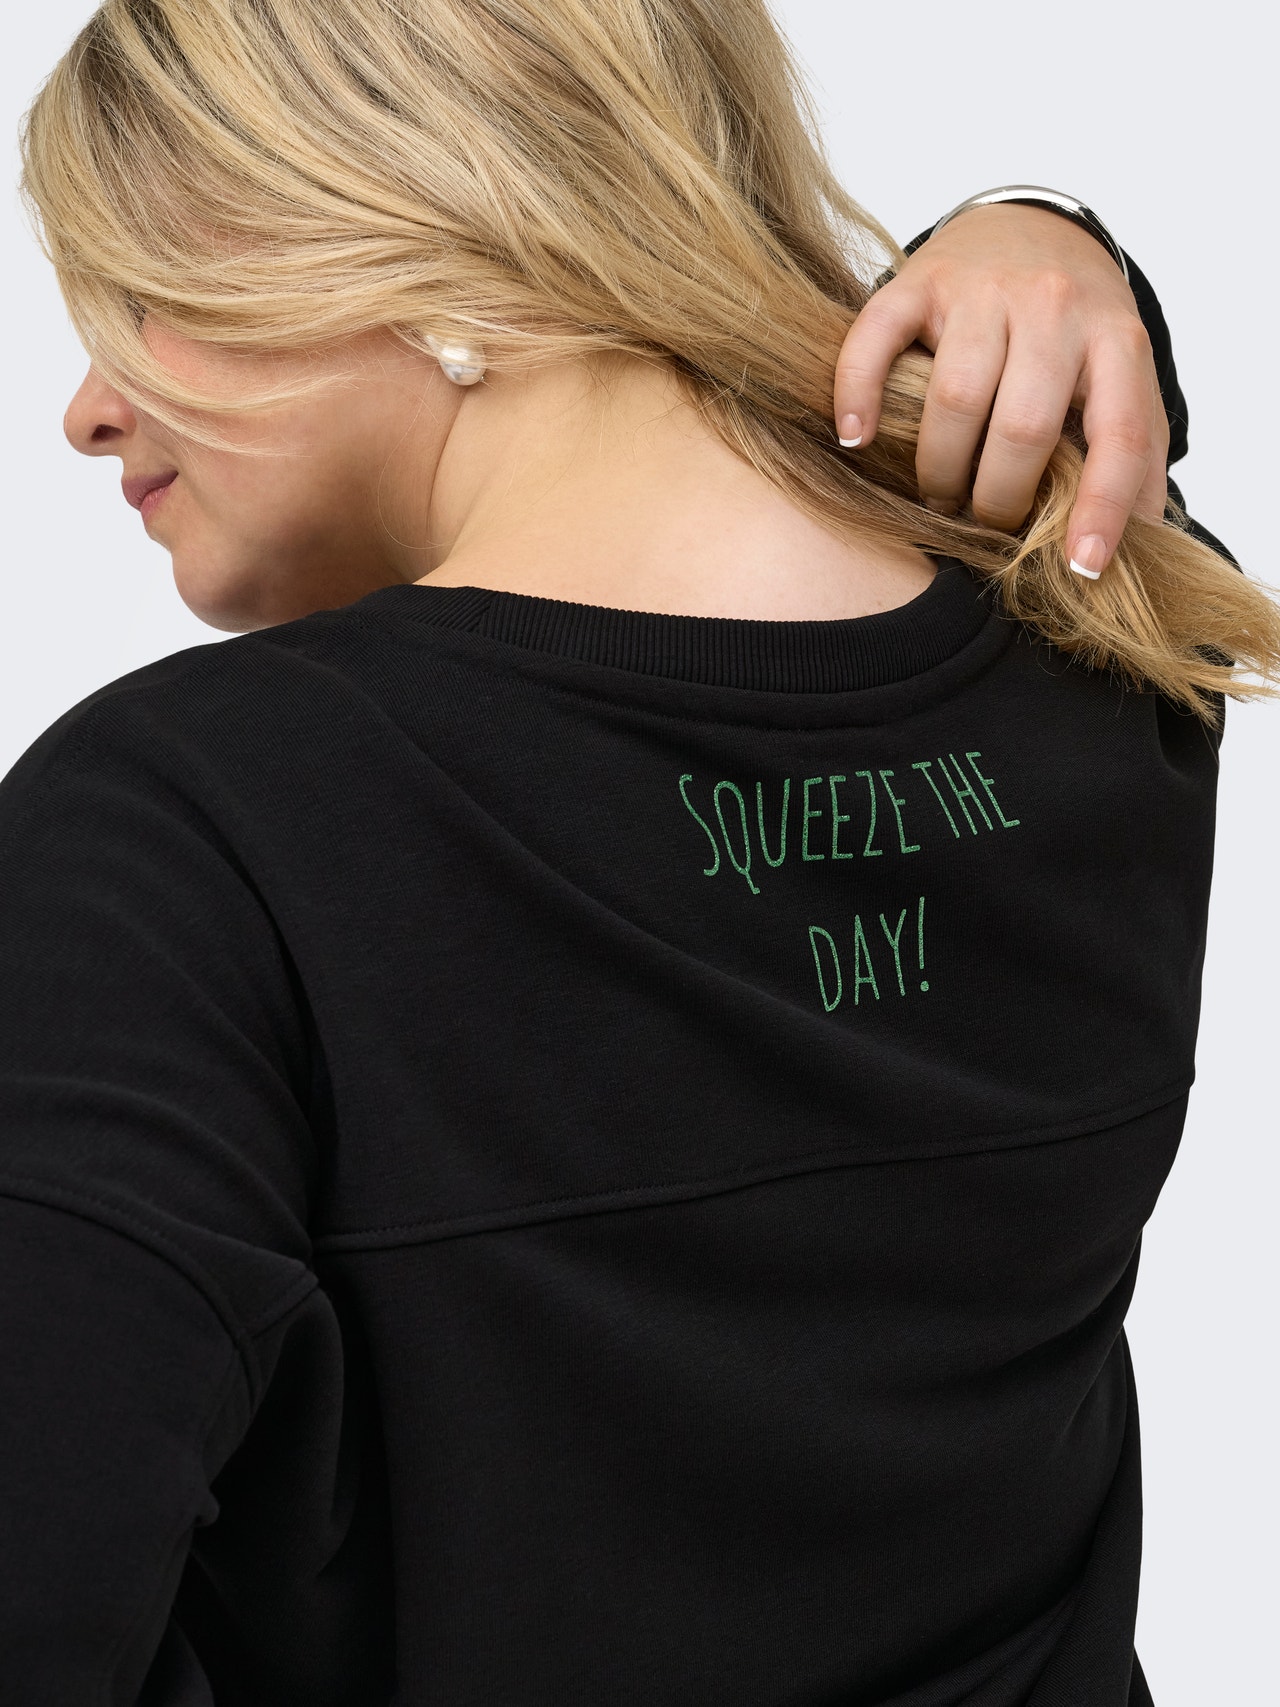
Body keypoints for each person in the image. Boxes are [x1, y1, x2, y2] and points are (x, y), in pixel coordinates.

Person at [3, 1, 1277, 1703]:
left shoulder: (181, 836)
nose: (90, 410)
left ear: (400, 213)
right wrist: (1046, 231)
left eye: (139, 301)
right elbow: (1100, 413)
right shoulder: (1114, 637)